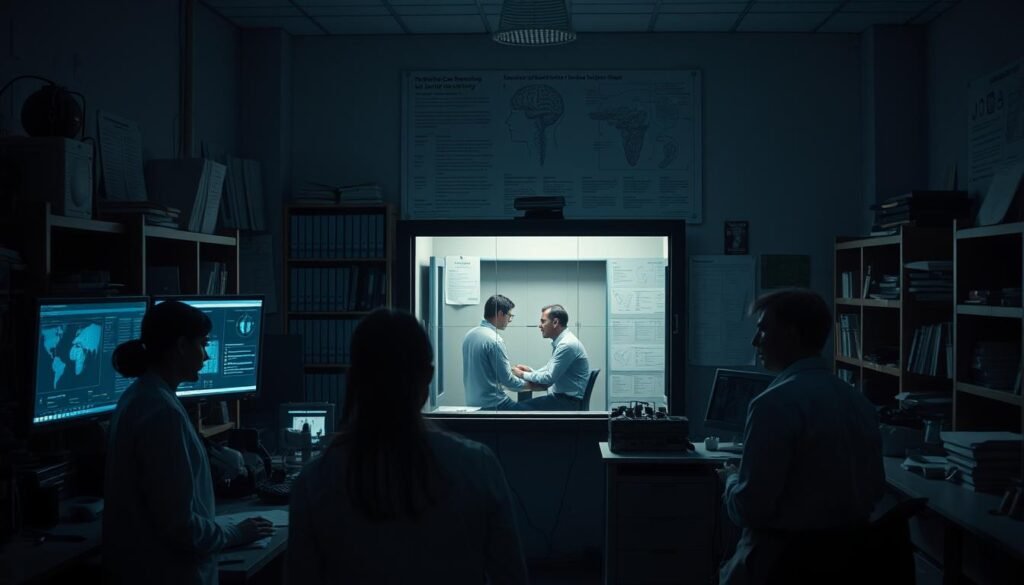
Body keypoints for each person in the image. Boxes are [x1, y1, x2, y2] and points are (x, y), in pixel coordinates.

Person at [286, 308, 528, 584]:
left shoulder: (314, 480)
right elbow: (511, 575)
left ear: (353, 379)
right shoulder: (477, 465)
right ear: (428, 377)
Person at [717, 289, 885, 585]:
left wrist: (730, 479)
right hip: (850, 564)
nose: (756, 342)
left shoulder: (773, 404)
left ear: (792, 335)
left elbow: (749, 509)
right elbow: (873, 490)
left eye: (763, 330)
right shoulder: (858, 402)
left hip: (784, 564)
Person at [103, 300, 273, 585]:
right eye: (203, 344)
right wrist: (235, 533)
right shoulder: (162, 414)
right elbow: (181, 527)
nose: (207, 356)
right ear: (181, 346)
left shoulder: (141, 396)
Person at [462, 294, 536, 410]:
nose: (510, 320)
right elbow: (508, 381)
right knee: (534, 410)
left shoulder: (470, 335)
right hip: (494, 404)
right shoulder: (495, 340)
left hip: (473, 404)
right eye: (510, 316)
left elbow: (483, 369)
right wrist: (535, 386)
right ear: (501, 314)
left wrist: (510, 370)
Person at [512, 304, 591, 411]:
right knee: (520, 407)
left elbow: (548, 378)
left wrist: (523, 374)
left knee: (517, 409)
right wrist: (530, 371)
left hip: (567, 403)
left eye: (543, 321)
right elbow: (550, 369)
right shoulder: (564, 342)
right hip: (563, 400)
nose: (540, 326)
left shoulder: (567, 345)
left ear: (555, 322)